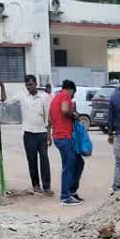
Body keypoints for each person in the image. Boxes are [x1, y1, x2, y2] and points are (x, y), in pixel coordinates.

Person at [50, 79, 85, 207]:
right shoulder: (65, 95)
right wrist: (74, 115)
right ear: (71, 90)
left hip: (60, 136)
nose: (72, 97)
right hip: (63, 137)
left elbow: (50, 118)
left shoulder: (55, 98)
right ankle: (65, 196)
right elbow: (65, 110)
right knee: (69, 166)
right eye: (73, 94)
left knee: (78, 162)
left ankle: (71, 191)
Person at [18, 74, 53, 195]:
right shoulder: (22, 96)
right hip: (28, 134)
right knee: (31, 160)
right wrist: (1, 87)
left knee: (44, 159)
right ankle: (36, 185)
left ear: (36, 84)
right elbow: (5, 101)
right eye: (27, 85)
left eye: (31, 84)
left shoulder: (44, 97)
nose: (29, 87)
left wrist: (49, 134)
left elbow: (48, 116)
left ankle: (47, 186)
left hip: (42, 134)